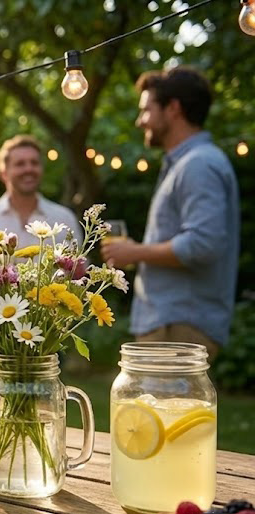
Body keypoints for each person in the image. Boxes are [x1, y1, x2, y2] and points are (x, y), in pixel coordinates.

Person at [102, 67, 239, 361]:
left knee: (164, 408)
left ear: (173, 108)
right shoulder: (185, 163)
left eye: (147, 110)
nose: (141, 121)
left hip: (179, 327)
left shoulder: (198, 164)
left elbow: (203, 244)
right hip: (170, 322)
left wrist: (135, 252)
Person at [0, 135, 81, 395]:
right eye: (20, 164)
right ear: (3, 171)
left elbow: (77, 275)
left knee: (43, 409)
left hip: (44, 335)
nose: (28, 168)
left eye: (34, 163)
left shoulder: (63, 219)